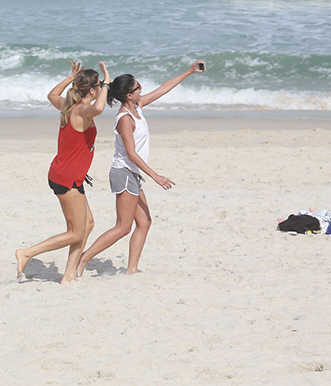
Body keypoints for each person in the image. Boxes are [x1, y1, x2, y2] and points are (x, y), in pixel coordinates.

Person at [76, 61, 206, 278]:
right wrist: (155, 176)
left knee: (144, 222)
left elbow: (164, 88)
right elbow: (131, 154)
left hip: (132, 174)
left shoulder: (137, 107)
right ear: (129, 95)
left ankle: (132, 269)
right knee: (122, 227)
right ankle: (83, 258)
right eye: (137, 87)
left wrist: (190, 71)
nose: (142, 89)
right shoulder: (125, 119)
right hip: (124, 173)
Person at [15, 60, 110, 284]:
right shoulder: (82, 110)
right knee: (76, 232)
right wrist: (107, 82)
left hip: (67, 174)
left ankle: (68, 276)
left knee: (87, 225)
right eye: (99, 86)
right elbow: (98, 109)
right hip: (66, 177)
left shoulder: (68, 105)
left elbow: (51, 95)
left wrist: (71, 77)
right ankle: (26, 253)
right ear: (94, 89)